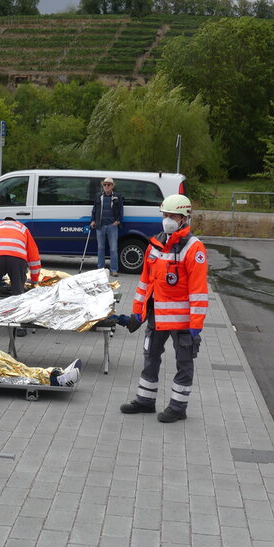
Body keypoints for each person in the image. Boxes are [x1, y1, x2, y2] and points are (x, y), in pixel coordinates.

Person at [120, 194, 208, 423]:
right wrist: (137, 313)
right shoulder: (155, 245)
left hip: (183, 322)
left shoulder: (194, 248)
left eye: (173, 216)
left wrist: (196, 325)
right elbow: (144, 284)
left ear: (184, 218)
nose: (167, 220)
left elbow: (198, 291)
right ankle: (145, 400)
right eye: (165, 215)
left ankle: (178, 408)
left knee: (184, 363)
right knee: (150, 357)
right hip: (157, 316)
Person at [0, 218, 41, 337]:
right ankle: (19, 328)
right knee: (18, 293)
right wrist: (34, 279)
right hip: (18, 258)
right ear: (16, 221)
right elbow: (34, 255)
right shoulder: (23, 228)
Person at [90, 177, 123, 276]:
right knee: (100, 248)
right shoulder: (98, 196)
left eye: (109, 184)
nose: (107, 186)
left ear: (112, 186)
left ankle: (114, 269)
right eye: (105, 184)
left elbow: (121, 210)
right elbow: (94, 210)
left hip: (112, 226)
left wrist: (118, 221)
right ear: (103, 186)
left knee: (113, 249)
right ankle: (100, 269)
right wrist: (93, 220)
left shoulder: (117, 196)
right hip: (100, 226)